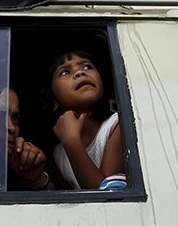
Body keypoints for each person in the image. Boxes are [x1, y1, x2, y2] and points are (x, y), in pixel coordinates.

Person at [45, 49, 125, 190]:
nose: (80, 73)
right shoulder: (59, 155)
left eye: (87, 67)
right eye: (65, 72)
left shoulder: (117, 125)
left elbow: (106, 197)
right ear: (53, 102)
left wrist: (72, 141)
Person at [6, 87, 54, 190]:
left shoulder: (19, 168)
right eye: (0, 115)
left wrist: (36, 179)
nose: (11, 127)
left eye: (14, 119)